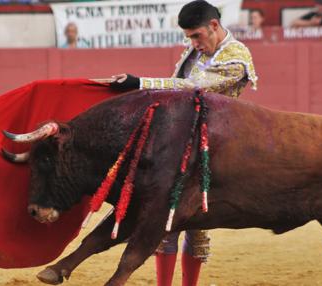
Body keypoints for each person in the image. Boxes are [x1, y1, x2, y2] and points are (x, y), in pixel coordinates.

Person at [109, 1, 257, 285]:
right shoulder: (196, 50)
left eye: (196, 35)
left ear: (213, 26)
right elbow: (179, 86)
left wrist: (140, 83)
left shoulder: (238, 57)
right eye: (189, 37)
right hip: (180, 143)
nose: (192, 43)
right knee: (166, 222)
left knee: (197, 227)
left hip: (215, 149)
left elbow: (193, 86)